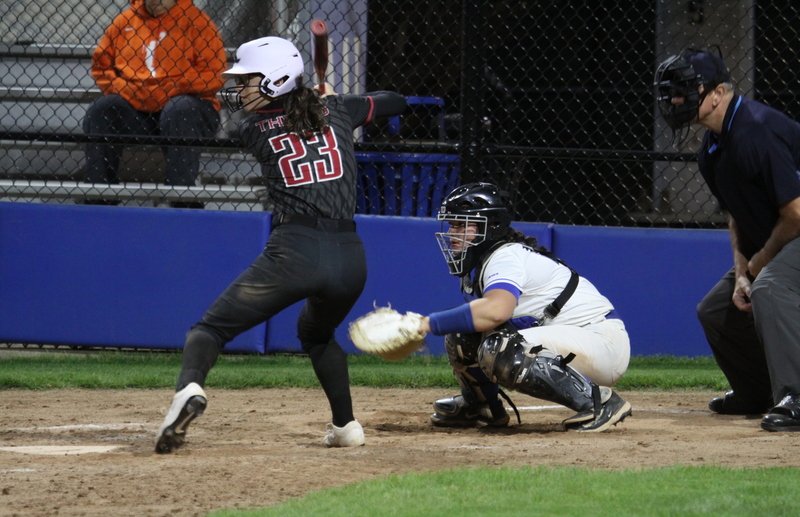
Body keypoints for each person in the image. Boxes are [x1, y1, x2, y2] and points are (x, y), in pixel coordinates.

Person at [154, 36, 407, 453]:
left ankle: (188, 390)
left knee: (209, 329)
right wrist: (341, 101)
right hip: (350, 257)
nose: (239, 90)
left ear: (274, 80)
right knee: (317, 331)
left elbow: (288, 120)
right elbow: (394, 100)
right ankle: (346, 427)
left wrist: (327, 104)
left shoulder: (250, 127)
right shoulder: (340, 110)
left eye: (248, 80)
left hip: (296, 250)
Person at [655, 48, 800, 431]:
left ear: (718, 92)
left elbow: (796, 213)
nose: (674, 100)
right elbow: (737, 214)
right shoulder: (712, 149)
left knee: (770, 287)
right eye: (671, 92)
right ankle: (756, 391)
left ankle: (797, 395)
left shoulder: (757, 131)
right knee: (717, 311)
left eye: (684, 90)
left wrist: (761, 262)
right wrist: (740, 270)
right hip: (783, 235)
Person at [416, 182, 632, 432]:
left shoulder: (505, 257)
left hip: (602, 343)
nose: (453, 233)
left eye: (462, 225)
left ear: (492, 226)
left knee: (500, 348)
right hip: (575, 339)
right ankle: (482, 407)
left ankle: (600, 403)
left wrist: (424, 324)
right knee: (463, 333)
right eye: (452, 225)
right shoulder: (488, 261)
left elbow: (497, 310)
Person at [83, 0, 226, 207]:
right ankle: (98, 198)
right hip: (136, 109)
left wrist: (169, 89)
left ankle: (182, 200)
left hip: (187, 108)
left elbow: (214, 74)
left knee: (180, 109)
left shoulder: (197, 22)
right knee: (103, 109)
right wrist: (130, 90)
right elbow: (101, 67)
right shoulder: (124, 22)